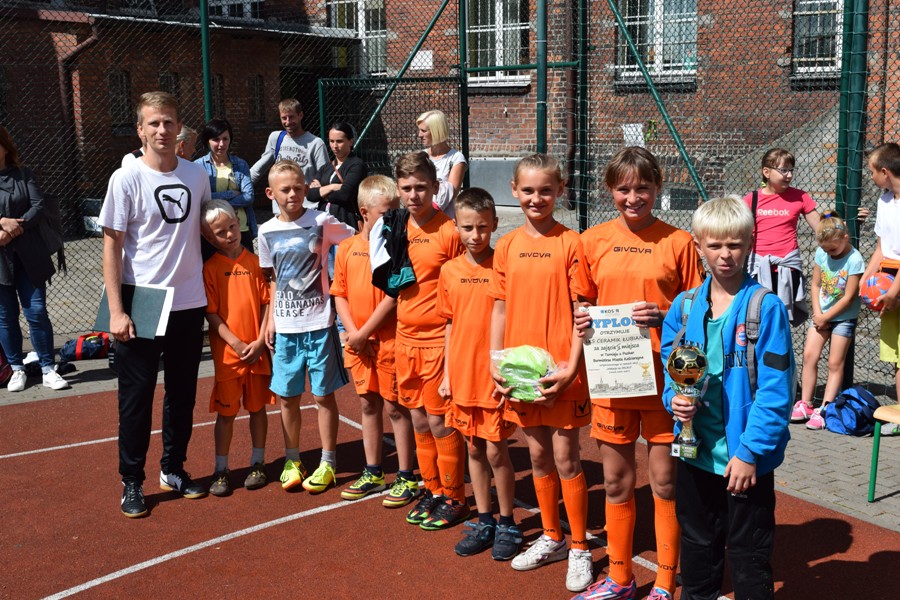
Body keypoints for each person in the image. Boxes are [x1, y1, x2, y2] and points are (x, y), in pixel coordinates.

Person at [573, 147, 703, 600]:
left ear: (657, 187)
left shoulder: (679, 242)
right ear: (611, 190)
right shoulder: (592, 241)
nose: (633, 197)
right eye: (624, 188)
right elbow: (583, 300)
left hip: (665, 382)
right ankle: (620, 578)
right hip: (613, 376)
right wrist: (582, 317)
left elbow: (698, 312)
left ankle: (665, 582)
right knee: (616, 481)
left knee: (664, 482)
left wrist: (664, 315)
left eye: (643, 187)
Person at [660, 196, 794, 600]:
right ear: (698, 245)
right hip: (695, 454)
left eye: (734, 244)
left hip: (743, 459)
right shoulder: (684, 307)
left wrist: (750, 452)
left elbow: (776, 391)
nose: (725, 255)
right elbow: (671, 369)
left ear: (750, 243)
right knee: (698, 553)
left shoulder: (765, 308)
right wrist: (673, 401)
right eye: (715, 245)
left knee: (748, 558)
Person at [99, 91, 211, 518]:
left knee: (182, 394)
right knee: (136, 398)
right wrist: (116, 310)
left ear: (179, 128)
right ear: (140, 130)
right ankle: (132, 480)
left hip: (189, 301)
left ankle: (174, 468)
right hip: (142, 300)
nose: (162, 130)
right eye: (154, 123)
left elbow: (205, 230)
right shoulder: (125, 178)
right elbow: (111, 247)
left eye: (168, 122)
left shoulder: (196, 175)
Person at [489, 154, 593, 593]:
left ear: (560, 191)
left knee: (567, 458)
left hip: (563, 372)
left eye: (546, 190)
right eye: (528, 190)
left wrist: (571, 368)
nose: (536, 198)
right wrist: (495, 360)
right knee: (537, 457)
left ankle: (580, 546)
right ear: (514, 190)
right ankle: (552, 536)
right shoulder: (506, 245)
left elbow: (582, 311)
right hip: (520, 372)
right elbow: (500, 306)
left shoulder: (572, 243)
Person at [258, 160, 355, 494]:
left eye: (298, 188)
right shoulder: (265, 231)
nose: (292, 195)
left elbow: (356, 243)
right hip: (285, 329)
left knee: (323, 395)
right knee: (287, 398)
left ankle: (328, 462)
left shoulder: (322, 221)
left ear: (306, 188)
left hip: (319, 325)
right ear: (270, 193)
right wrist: (270, 320)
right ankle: (293, 460)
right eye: (285, 190)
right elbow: (273, 279)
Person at [437, 187, 523, 560]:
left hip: (492, 377)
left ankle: (507, 522)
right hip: (461, 375)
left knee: (496, 450)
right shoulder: (449, 270)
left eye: (483, 227)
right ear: (456, 227)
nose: (475, 235)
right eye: (468, 227)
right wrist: (446, 375)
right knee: (472, 447)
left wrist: (506, 371)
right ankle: (484, 519)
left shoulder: (503, 266)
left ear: (495, 224)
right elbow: (449, 325)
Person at [388, 151, 469, 531]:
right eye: (406, 187)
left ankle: (455, 497)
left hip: (438, 340)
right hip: (404, 340)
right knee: (418, 419)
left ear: (436, 187)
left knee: (440, 423)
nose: (413, 194)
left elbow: (465, 285)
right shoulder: (395, 227)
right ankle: (433, 489)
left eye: (421, 187)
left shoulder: (450, 231)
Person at [331, 175, 417, 506]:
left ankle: (407, 475)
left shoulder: (397, 246)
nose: (393, 217)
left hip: (388, 341)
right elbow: (339, 293)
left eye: (396, 210)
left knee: (396, 408)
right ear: (364, 212)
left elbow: (394, 296)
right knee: (368, 404)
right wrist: (354, 333)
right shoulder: (347, 248)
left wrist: (362, 333)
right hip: (359, 344)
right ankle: (373, 471)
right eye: (386, 212)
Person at [201, 200, 274, 496]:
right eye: (221, 232)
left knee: (257, 409)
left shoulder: (255, 263)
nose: (230, 234)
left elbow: (267, 303)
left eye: (232, 227)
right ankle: (221, 469)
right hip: (229, 357)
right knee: (226, 414)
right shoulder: (209, 269)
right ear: (209, 237)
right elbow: (211, 314)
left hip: (257, 353)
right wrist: (235, 342)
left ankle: (258, 463)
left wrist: (259, 341)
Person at [0, 125, 70, 393]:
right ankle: (16, 368)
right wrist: (2, 222)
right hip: (1, 260)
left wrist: (13, 228)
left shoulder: (23, 174)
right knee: (5, 316)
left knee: (37, 311)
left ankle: (48, 368)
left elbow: (38, 206)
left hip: (30, 255)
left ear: (5, 147)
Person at [794, 212, 864, 430]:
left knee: (835, 363)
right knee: (809, 356)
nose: (828, 253)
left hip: (842, 318)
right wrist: (818, 313)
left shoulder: (854, 260)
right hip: (821, 314)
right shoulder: (821, 253)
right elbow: (815, 285)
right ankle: (805, 403)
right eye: (824, 250)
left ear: (845, 238)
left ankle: (825, 409)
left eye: (832, 249)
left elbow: (849, 297)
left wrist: (826, 317)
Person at [743, 148, 819, 326]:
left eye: (791, 170)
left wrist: (836, 217)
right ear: (766, 172)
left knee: (781, 318)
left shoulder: (800, 197)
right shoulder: (751, 199)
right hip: (758, 268)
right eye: (783, 170)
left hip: (787, 268)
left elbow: (821, 223)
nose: (789, 175)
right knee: (756, 318)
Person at [862, 142, 900, 435]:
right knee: (896, 356)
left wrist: (893, 292)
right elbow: (880, 247)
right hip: (888, 279)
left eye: (873, 171)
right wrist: (866, 279)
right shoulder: (884, 201)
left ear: (885, 172)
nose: (871, 176)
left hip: (895, 284)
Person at [250, 98, 329, 214]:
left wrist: (318, 184)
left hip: (308, 209)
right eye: (284, 118)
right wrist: (242, 185)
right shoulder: (276, 138)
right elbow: (259, 168)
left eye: (291, 117)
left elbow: (325, 175)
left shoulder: (316, 143)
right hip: (281, 210)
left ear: (300, 115)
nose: (287, 122)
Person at [195, 118, 257, 250]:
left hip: (241, 229)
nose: (221, 144)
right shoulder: (198, 167)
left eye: (225, 139)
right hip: (214, 232)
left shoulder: (240, 164)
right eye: (216, 139)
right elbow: (202, 199)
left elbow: (248, 197)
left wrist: (216, 201)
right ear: (207, 141)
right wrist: (230, 194)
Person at [306, 121, 368, 230]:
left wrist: (321, 191)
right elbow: (310, 195)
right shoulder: (326, 167)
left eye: (339, 141)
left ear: (350, 141)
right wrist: (332, 187)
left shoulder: (356, 165)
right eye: (331, 141)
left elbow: (345, 194)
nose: (334, 146)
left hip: (346, 223)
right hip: (323, 225)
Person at [417, 109, 467, 218]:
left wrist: (425, 214)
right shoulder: (420, 156)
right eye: (419, 130)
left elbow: (449, 194)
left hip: (444, 219)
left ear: (436, 131)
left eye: (423, 131)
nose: (419, 135)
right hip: (420, 216)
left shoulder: (455, 158)